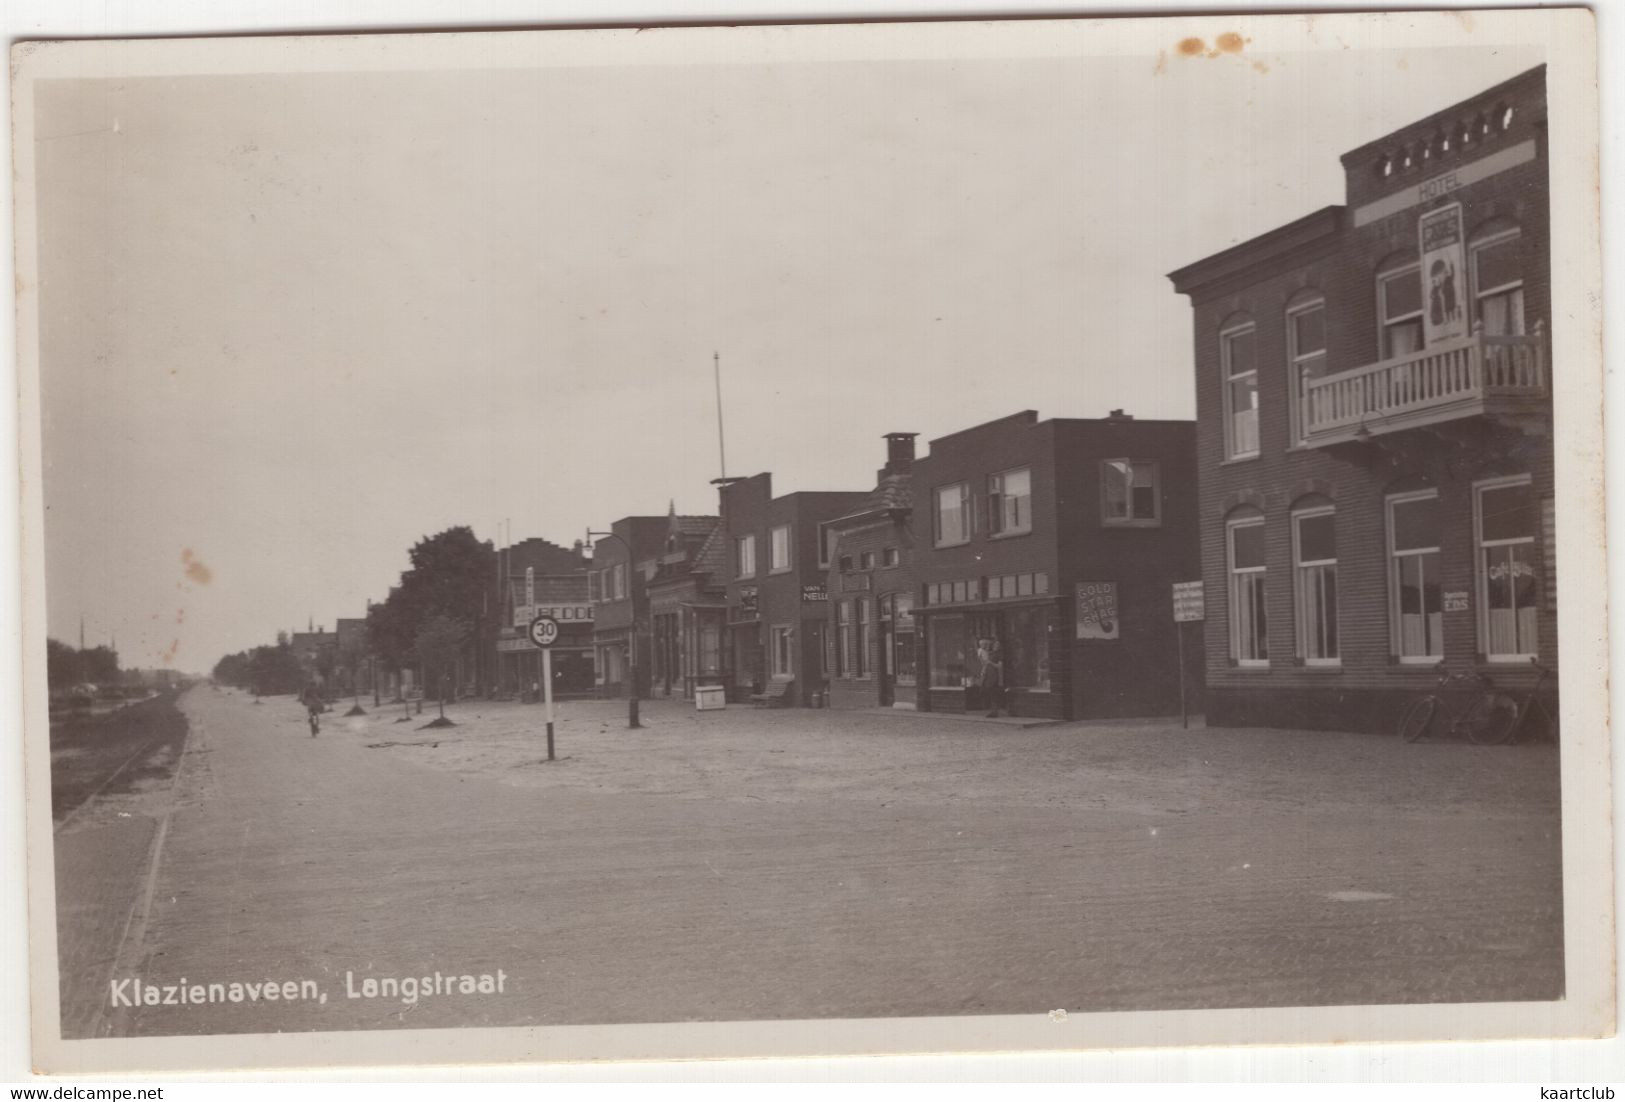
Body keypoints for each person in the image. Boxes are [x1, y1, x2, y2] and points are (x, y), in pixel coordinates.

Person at [977, 638, 1005, 718]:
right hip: (988, 674)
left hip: (994, 675)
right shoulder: (990, 653)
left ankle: (994, 711)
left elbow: (999, 666)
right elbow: (984, 663)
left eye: (998, 645)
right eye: (995, 645)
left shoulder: (999, 654)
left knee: (993, 692)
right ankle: (992, 710)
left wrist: (991, 663)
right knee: (987, 691)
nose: (996, 646)